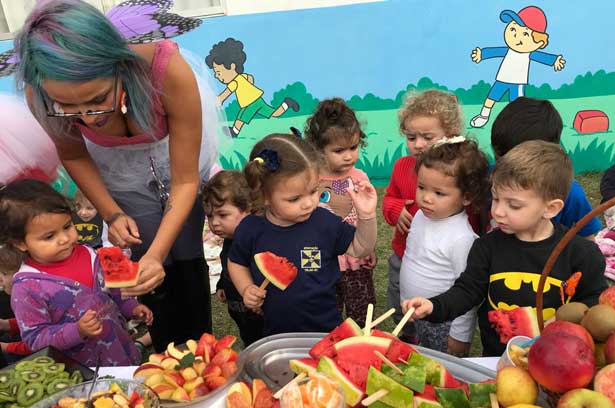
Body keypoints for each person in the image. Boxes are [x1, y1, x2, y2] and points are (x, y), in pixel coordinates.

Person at [13, 0, 220, 351]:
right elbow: (74, 152)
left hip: (176, 157)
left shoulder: (166, 70)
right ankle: (166, 351)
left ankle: (204, 347)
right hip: (114, 167)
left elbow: (185, 181)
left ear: (119, 67)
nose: (88, 118)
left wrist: (159, 254)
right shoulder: (39, 89)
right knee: (142, 256)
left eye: (96, 99)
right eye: (67, 106)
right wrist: (112, 213)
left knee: (185, 252)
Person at [402, 141, 608, 356]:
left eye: (514, 205)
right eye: (496, 198)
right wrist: (434, 306)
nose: (498, 212)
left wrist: (565, 320)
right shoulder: (487, 246)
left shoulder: (581, 254)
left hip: (559, 356)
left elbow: (595, 301)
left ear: (551, 208)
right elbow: (467, 291)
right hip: (496, 356)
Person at [228, 134, 377, 336]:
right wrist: (246, 288)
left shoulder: (324, 222)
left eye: (314, 191)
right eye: (295, 198)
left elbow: (361, 248)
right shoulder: (251, 228)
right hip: (275, 332)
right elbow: (236, 261)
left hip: (326, 330)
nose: (309, 203)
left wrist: (367, 215)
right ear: (264, 196)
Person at [0, 179, 154, 366]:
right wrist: (77, 331)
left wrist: (131, 307)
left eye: (67, 226)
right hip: (82, 373)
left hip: (121, 352)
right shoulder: (26, 288)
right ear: (20, 243)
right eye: (49, 236)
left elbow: (113, 292)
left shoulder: (90, 253)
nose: (64, 239)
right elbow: (35, 339)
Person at [382, 89, 464, 343]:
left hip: (439, 261)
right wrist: (397, 211)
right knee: (399, 298)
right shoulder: (402, 166)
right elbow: (389, 199)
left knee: (435, 307)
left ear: (449, 135)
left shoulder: (456, 170)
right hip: (404, 251)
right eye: (411, 137)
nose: (417, 144)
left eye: (427, 137)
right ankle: (407, 334)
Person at [401, 137, 489, 356]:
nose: (426, 198)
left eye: (439, 193)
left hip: (444, 323)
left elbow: (467, 295)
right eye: (421, 187)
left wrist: (460, 336)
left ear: (467, 197)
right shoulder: (421, 215)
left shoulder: (462, 239)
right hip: (420, 313)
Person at [305, 98, 377, 327]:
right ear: (318, 148)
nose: (348, 156)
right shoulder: (309, 180)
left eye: (353, 148)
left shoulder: (359, 178)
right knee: (325, 313)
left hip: (355, 257)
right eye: (339, 150)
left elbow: (365, 217)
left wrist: (370, 248)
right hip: (322, 259)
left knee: (363, 312)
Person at [490, 97, 601, 240]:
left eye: (514, 205)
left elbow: (587, 241)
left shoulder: (570, 193)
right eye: (499, 159)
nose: (504, 171)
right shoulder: (486, 176)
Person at [469, 6, 565, 128]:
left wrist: (554, 60)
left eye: (525, 33)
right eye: (513, 29)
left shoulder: (529, 54)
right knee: (491, 98)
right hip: (502, 79)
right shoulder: (508, 50)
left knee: (517, 105)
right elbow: (495, 51)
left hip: (518, 82)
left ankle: (517, 123)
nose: (516, 36)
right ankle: (483, 116)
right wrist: (481, 54)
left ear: (540, 42)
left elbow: (542, 57)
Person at [202, 171, 264, 346]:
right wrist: (222, 283)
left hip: (255, 310)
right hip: (237, 306)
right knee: (247, 337)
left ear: (247, 209)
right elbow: (228, 263)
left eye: (222, 215)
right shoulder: (230, 238)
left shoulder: (255, 242)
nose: (214, 223)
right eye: (210, 216)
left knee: (259, 341)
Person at [205, 38, 299, 137]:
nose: (216, 76)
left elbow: (226, 93)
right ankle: (286, 104)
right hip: (258, 100)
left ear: (232, 66)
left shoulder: (235, 82)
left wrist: (219, 100)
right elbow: (250, 78)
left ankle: (235, 131)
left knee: (242, 116)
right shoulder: (243, 77)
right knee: (273, 113)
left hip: (250, 103)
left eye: (218, 73)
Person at [0, 248, 30, 362]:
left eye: (4, 274)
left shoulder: (25, 302)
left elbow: (38, 344)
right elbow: (30, 322)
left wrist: (4, 347)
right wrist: (5, 324)